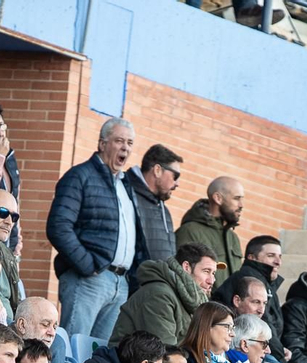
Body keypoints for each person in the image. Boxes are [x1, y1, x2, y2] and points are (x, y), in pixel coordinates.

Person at [46, 118, 138, 340]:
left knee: (95, 355)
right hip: (88, 279)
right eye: (119, 141)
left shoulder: (125, 184)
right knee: (72, 348)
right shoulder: (80, 176)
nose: (125, 147)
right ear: (102, 144)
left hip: (119, 283)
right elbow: (58, 226)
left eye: (130, 143)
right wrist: (87, 266)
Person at [110, 245, 214, 346]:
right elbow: (165, 352)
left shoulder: (192, 301)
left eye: (213, 273)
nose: (211, 280)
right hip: (133, 362)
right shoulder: (159, 295)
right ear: (186, 267)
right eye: (206, 271)